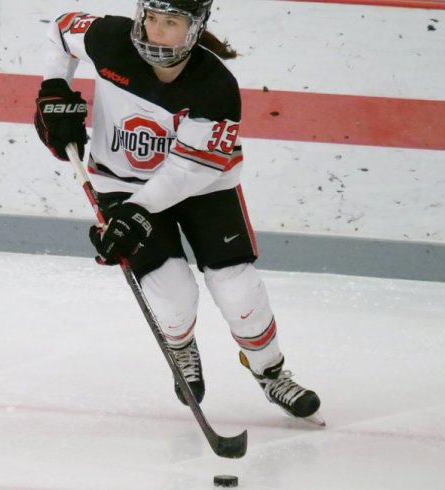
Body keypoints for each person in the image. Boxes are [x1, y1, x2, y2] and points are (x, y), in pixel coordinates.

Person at [34, 0, 323, 425]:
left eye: (170, 23)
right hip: (120, 183)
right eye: (150, 18)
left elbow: (188, 172)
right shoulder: (112, 41)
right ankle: (182, 345)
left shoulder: (214, 85)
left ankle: (271, 373)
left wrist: (136, 213)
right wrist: (53, 88)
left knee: (236, 287)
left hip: (203, 186)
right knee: (172, 297)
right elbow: (61, 31)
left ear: (194, 27)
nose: (155, 31)